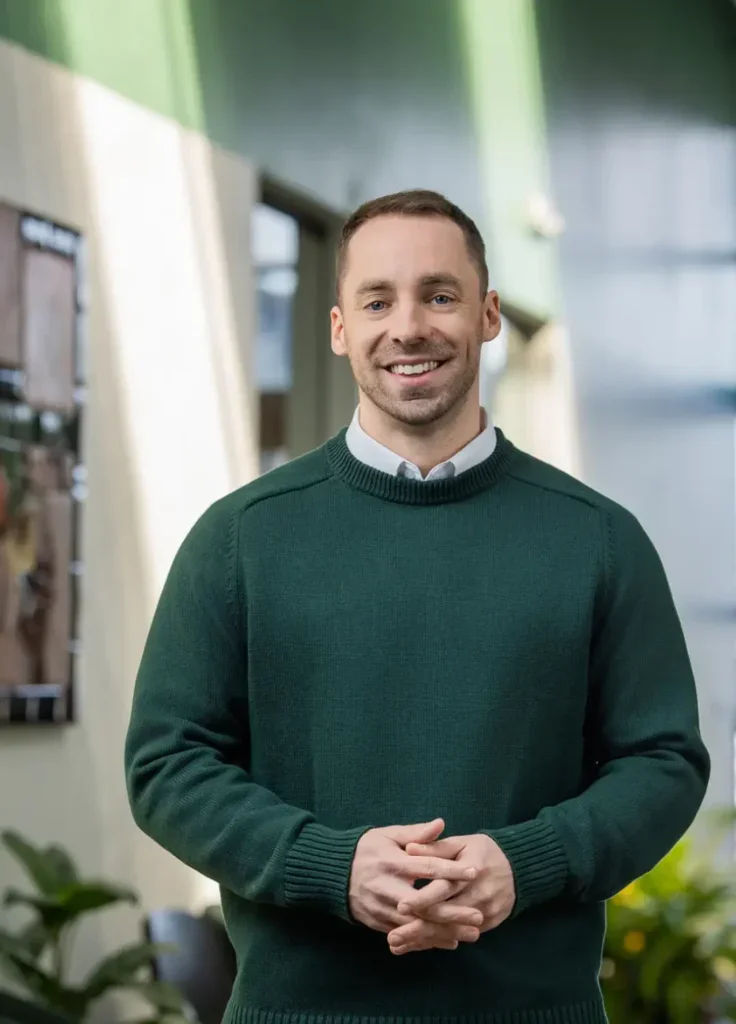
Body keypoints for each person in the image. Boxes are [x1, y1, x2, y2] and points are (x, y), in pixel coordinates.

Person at [125, 190, 710, 1024]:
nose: (409, 326)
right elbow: (167, 762)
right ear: (338, 329)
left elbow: (663, 762)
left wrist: (524, 863)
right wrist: (334, 865)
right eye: (377, 300)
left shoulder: (598, 542)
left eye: (440, 295)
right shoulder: (240, 539)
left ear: (489, 315)